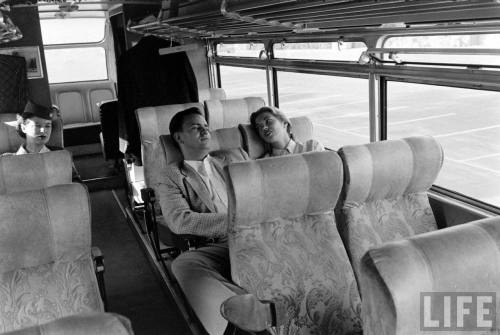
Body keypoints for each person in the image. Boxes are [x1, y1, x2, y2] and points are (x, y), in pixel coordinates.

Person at [157, 107, 254, 335]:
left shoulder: (234, 158)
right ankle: (243, 320)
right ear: (179, 137)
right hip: (222, 241)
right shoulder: (172, 175)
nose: (205, 131)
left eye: (206, 127)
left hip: (258, 231)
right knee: (183, 265)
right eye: (196, 127)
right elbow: (180, 220)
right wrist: (235, 223)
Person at [250, 106, 324, 157]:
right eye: (259, 126)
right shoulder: (265, 162)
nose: (264, 128)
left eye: (268, 121)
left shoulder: (312, 147)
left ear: (284, 123)